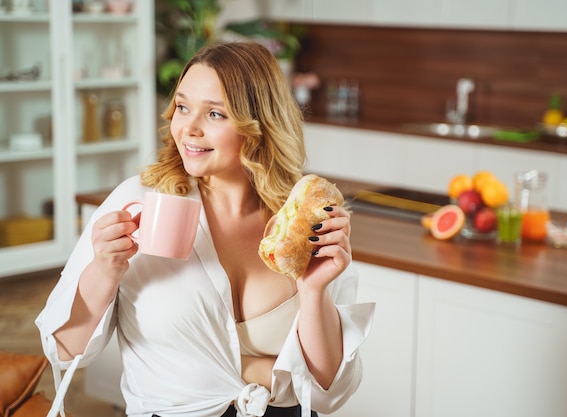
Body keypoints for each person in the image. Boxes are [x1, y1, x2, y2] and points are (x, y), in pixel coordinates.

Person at [36, 42, 374, 417]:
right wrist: (103, 270)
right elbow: (64, 351)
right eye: (182, 107)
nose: (188, 129)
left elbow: (327, 390)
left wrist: (314, 291)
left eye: (215, 114)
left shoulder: (299, 223)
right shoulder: (139, 201)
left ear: (259, 124)